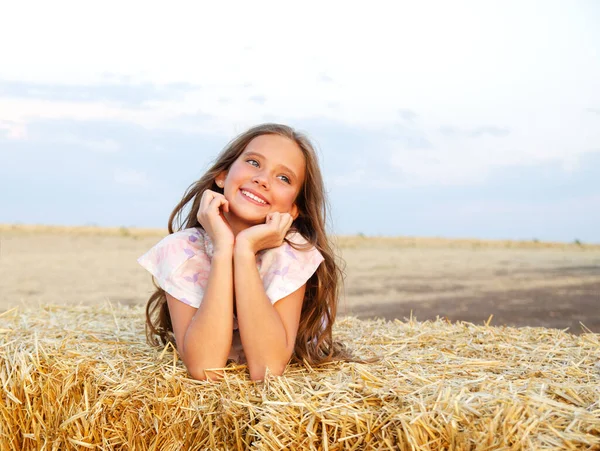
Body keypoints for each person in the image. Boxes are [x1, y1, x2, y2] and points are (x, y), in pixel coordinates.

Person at [139, 123, 348, 381]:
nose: (262, 179)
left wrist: (245, 251)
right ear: (222, 175)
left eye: (284, 178)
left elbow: (268, 369)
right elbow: (205, 369)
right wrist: (223, 249)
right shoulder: (181, 250)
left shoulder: (293, 252)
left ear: (294, 209)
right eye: (253, 162)